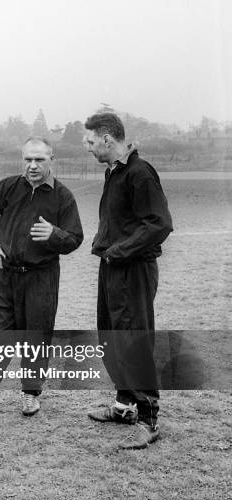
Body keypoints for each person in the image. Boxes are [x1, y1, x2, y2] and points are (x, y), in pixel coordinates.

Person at [0, 137, 83, 418]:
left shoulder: (62, 196)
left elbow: (75, 238)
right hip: (5, 276)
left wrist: (55, 235)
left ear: (52, 159)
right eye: (28, 160)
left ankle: (30, 393)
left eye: (39, 159)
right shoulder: (7, 187)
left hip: (41, 278)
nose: (33, 166)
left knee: (35, 336)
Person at [84, 113, 173, 449]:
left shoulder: (140, 172)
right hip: (113, 266)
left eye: (91, 141)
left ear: (109, 139)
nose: (89, 148)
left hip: (132, 269)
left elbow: (159, 223)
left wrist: (119, 250)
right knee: (112, 334)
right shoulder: (115, 172)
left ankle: (149, 419)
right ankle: (124, 406)